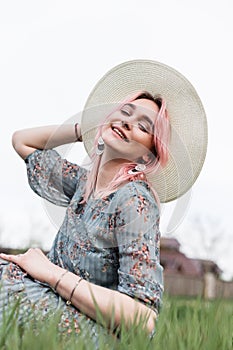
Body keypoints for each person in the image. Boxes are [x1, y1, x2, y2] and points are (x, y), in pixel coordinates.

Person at [0, 60, 208, 342]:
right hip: (56, 304)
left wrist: (49, 272)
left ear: (147, 156)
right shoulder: (85, 183)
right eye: (125, 113)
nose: (127, 123)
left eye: (143, 126)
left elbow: (143, 319)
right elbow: (22, 141)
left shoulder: (134, 201)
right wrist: (82, 128)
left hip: (93, 331)